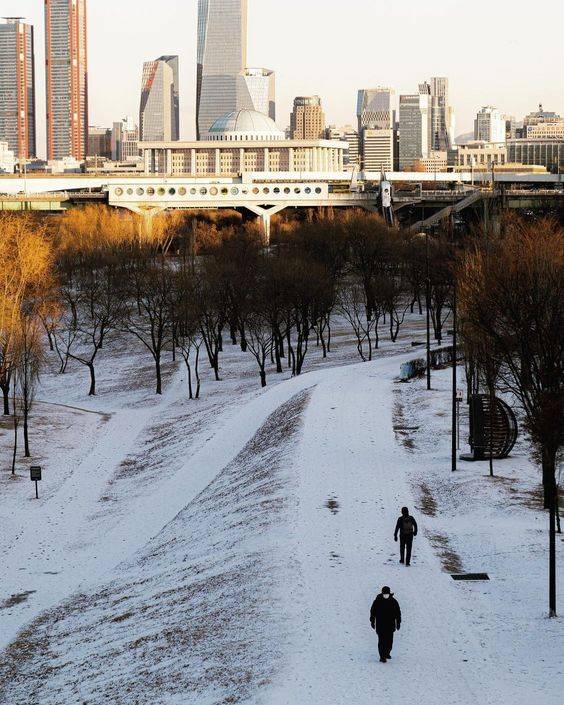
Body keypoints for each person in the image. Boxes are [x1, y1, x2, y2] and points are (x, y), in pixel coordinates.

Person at [370, 586, 402, 662]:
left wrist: (398, 622)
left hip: (390, 625)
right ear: (382, 593)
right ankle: (382, 656)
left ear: (389, 593)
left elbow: (398, 613)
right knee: (381, 641)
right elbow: (372, 611)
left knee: (389, 641)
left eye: (387, 594)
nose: (386, 595)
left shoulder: (394, 601)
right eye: (384, 594)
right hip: (380, 625)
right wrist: (372, 621)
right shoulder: (377, 601)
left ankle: (387, 653)